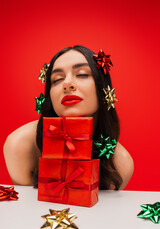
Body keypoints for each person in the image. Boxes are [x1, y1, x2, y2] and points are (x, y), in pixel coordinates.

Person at [3, 45, 134, 190]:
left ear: (103, 88)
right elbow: (29, 208)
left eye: (82, 74)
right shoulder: (20, 145)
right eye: (57, 79)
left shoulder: (120, 163)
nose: (67, 84)